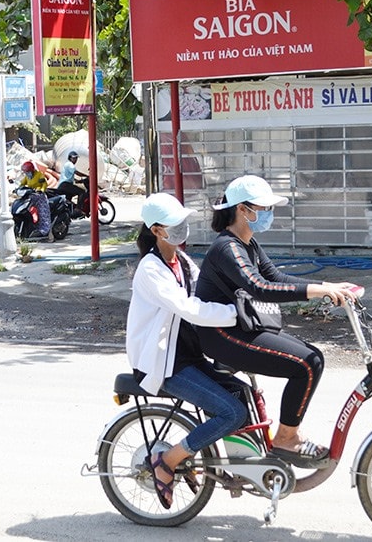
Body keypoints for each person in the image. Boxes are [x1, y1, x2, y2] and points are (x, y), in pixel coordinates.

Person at [194, 175, 359, 467]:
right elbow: (260, 287)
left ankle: (284, 437)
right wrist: (319, 291)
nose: (269, 214)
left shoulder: (249, 244)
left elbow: (277, 278)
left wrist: (329, 285)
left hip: (241, 327)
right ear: (243, 210)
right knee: (307, 363)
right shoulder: (227, 248)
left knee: (313, 359)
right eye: (264, 208)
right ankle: (286, 439)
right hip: (222, 335)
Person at [126, 192, 249, 509]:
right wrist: (235, 315)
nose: (182, 227)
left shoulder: (180, 261)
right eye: (174, 224)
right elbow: (191, 308)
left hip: (188, 357)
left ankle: (239, 464)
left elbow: (209, 292)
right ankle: (168, 460)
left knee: (242, 394)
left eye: (183, 221)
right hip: (164, 365)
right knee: (232, 412)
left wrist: (244, 300)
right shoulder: (151, 270)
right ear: (157, 230)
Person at [55, 151, 86, 216]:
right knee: (82, 192)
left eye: (76, 158)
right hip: (65, 185)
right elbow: (77, 173)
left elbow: (70, 176)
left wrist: (78, 181)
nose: (75, 160)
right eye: (74, 158)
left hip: (64, 185)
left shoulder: (67, 165)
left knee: (69, 198)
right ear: (70, 158)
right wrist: (87, 176)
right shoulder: (70, 164)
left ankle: (70, 212)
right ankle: (78, 209)